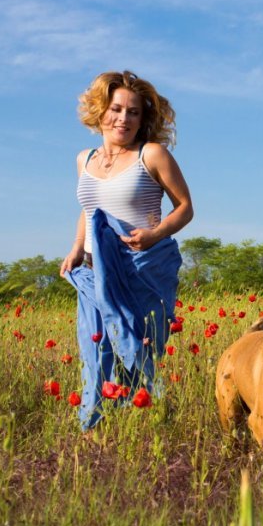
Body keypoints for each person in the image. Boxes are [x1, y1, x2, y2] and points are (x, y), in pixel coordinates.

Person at [60, 70, 193, 431]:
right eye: (116, 109)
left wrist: (155, 233)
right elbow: (90, 211)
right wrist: (75, 248)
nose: (123, 118)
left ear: (143, 118)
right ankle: (96, 429)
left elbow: (185, 207)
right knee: (96, 352)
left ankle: (144, 428)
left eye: (133, 112)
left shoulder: (151, 154)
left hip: (140, 269)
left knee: (137, 352)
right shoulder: (83, 159)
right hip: (94, 272)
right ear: (100, 110)